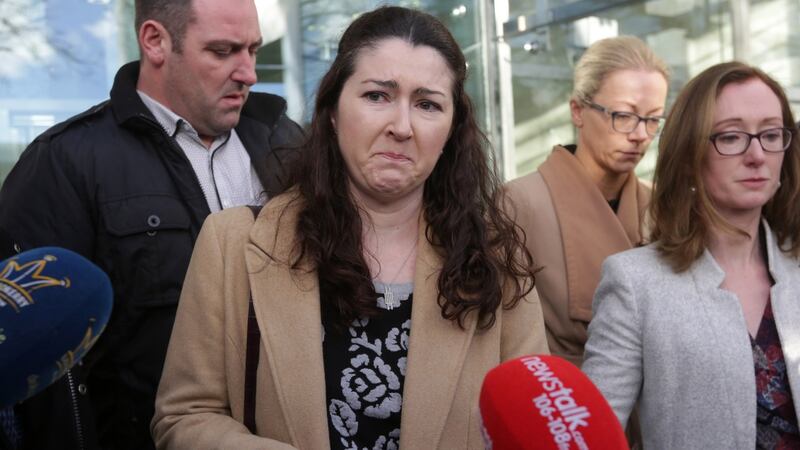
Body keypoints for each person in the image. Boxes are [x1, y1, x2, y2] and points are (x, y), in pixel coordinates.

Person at [151, 6, 547, 449]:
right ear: (334, 110)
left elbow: (533, 425)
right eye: (377, 96)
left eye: (428, 104)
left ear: (453, 129)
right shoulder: (234, 242)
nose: (401, 126)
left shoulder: (495, 257)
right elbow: (185, 417)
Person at [0, 0, 304, 448]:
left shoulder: (286, 141)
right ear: (155, 41)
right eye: (223, 51)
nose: (249, 73)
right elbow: (36, 362)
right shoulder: (65, 163)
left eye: (254, 50)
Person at [582, 62, 800, 448]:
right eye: (731, 137)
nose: (756, 155)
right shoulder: (635, 284)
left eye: (770, 133)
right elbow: (592, 437)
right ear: (689, 154)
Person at [504, 36, 669, 368]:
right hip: (561, 399)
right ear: (578, 110)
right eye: (624, 115)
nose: (640, 135)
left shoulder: (662, 206)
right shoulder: (518, 203)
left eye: (653, 120)